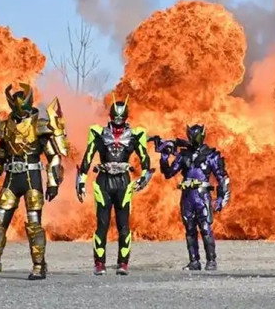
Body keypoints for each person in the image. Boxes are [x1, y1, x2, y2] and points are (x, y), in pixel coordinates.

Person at [0, 83, 69, 281]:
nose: (19, 109)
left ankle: (39, 265)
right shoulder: (5, 127)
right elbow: (0, 159)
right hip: (11, 179)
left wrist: (53, 183)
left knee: (34, 225)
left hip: (32, 178)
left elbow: (53, 156)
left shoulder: (40, 125)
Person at [76, 99, 153, 275]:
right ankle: (99, 263)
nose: (118, 120)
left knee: (123, 225)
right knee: (102, 225)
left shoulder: (135, 135)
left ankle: (123, 263)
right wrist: (81, 180)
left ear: (125, 116)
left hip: (123, 182)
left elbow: (144, 157)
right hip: (103, 181)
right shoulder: (98, 133)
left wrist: (145, 176)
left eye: (121, 116)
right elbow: (88, 156)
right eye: (115, 116)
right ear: (111, 115)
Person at [153, 124, 230, 271]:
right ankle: (194, 261)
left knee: (205, 228)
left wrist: (221, 198)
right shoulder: (184, 155)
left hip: (202, 195)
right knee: (190, 229)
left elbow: (222, 178)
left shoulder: (211, 155)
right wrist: (164, 158)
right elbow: (169, 173)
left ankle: (211, 260)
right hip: (187, 196)